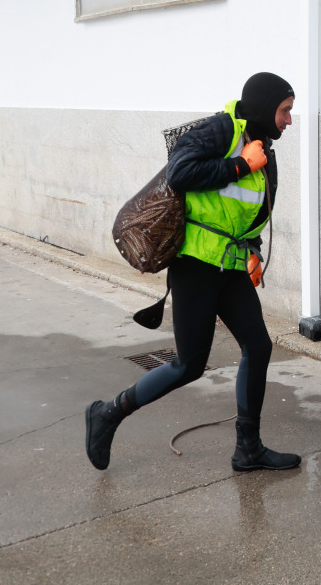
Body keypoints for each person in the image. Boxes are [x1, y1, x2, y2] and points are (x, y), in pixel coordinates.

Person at [84, 72, 299, 472]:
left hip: (229, 266)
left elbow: (247, 211)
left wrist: (252, 250)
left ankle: (248, 449)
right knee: (189, 365)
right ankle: (108, 413)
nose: (288, 120)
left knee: (258, 346)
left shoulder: (263, 149)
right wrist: (239, 165)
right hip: (196, 266)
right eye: (285, 110)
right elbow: (180, 173)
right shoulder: (220, 131)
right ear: (265, 106)